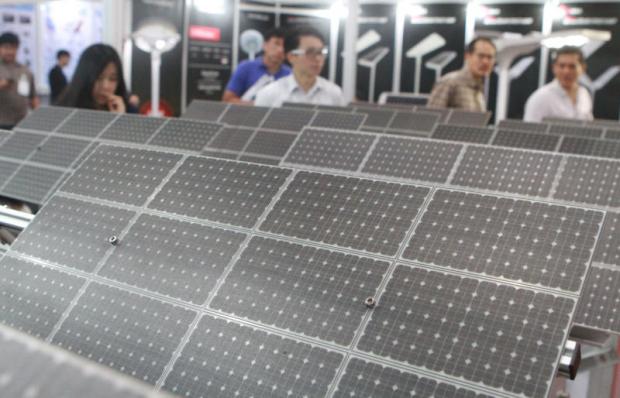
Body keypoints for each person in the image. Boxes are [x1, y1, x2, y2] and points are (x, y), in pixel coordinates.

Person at [254, 26, 345, 107]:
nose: (318, 58)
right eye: (310, 52)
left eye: (320, 52)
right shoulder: (269, 94)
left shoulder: (334, 94)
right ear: (291, 57)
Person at [524, 46, 592, 122]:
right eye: (562, 66)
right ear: (554, 68)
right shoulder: (541, 97)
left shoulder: (584, 93)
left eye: (572, 66)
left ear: (583, 68)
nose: (566, 71)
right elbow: (531, 128)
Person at [222, 27, 290, 103]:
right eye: (276, 43)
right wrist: (259, 106)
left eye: (285, 46)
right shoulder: (245, 68)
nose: (281, 49)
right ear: (264, 45)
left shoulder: (290, 74)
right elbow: (227, 100)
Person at [427, 37, 496, 112]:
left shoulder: (478, 89)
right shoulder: (449, 82)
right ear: (467, 56)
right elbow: (432, 117)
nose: (485, 62)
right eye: (481, 56)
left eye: (490, 57)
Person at [57, 43, 129, 113]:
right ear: (84, 78)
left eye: (113, 79)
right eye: (98, 78)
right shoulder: (64, 111)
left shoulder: (126, 109)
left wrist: (119, 119)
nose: (105, 86)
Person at [0, 31, 39, 129]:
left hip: (22, 124)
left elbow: (33, 97)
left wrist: (40, 117)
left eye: (13, 48)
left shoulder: (25, 71)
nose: (10, 52)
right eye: (6, 48)